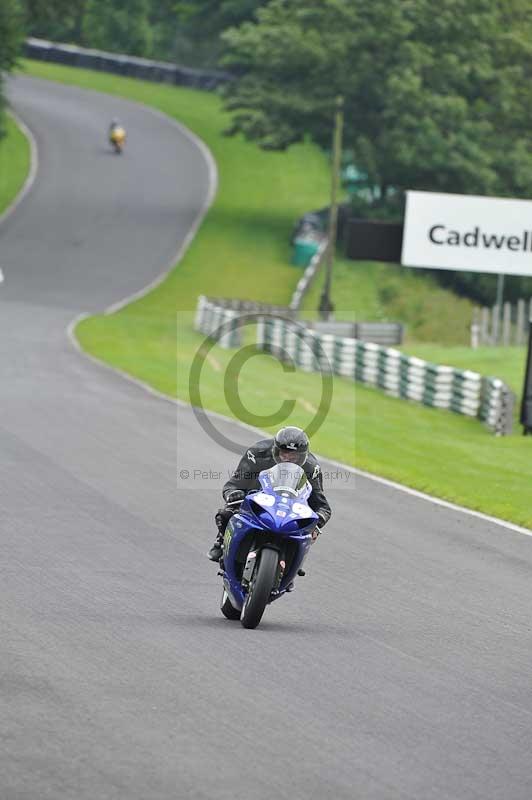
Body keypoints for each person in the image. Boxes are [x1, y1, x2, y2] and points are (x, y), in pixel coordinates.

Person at [207, 426, 331, 562]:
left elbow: (322, 506)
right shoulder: (256, 454)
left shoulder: (312, 468)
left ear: (302, 456)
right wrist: (234, 494)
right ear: (276, 450)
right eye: (284, 453)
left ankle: (291, 566)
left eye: (293, 456)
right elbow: (234, 484)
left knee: (306, 533)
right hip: (258, 498)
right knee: (227, 513)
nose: (287, 459)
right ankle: (221, 540)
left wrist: (317, 523)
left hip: (291, 509)